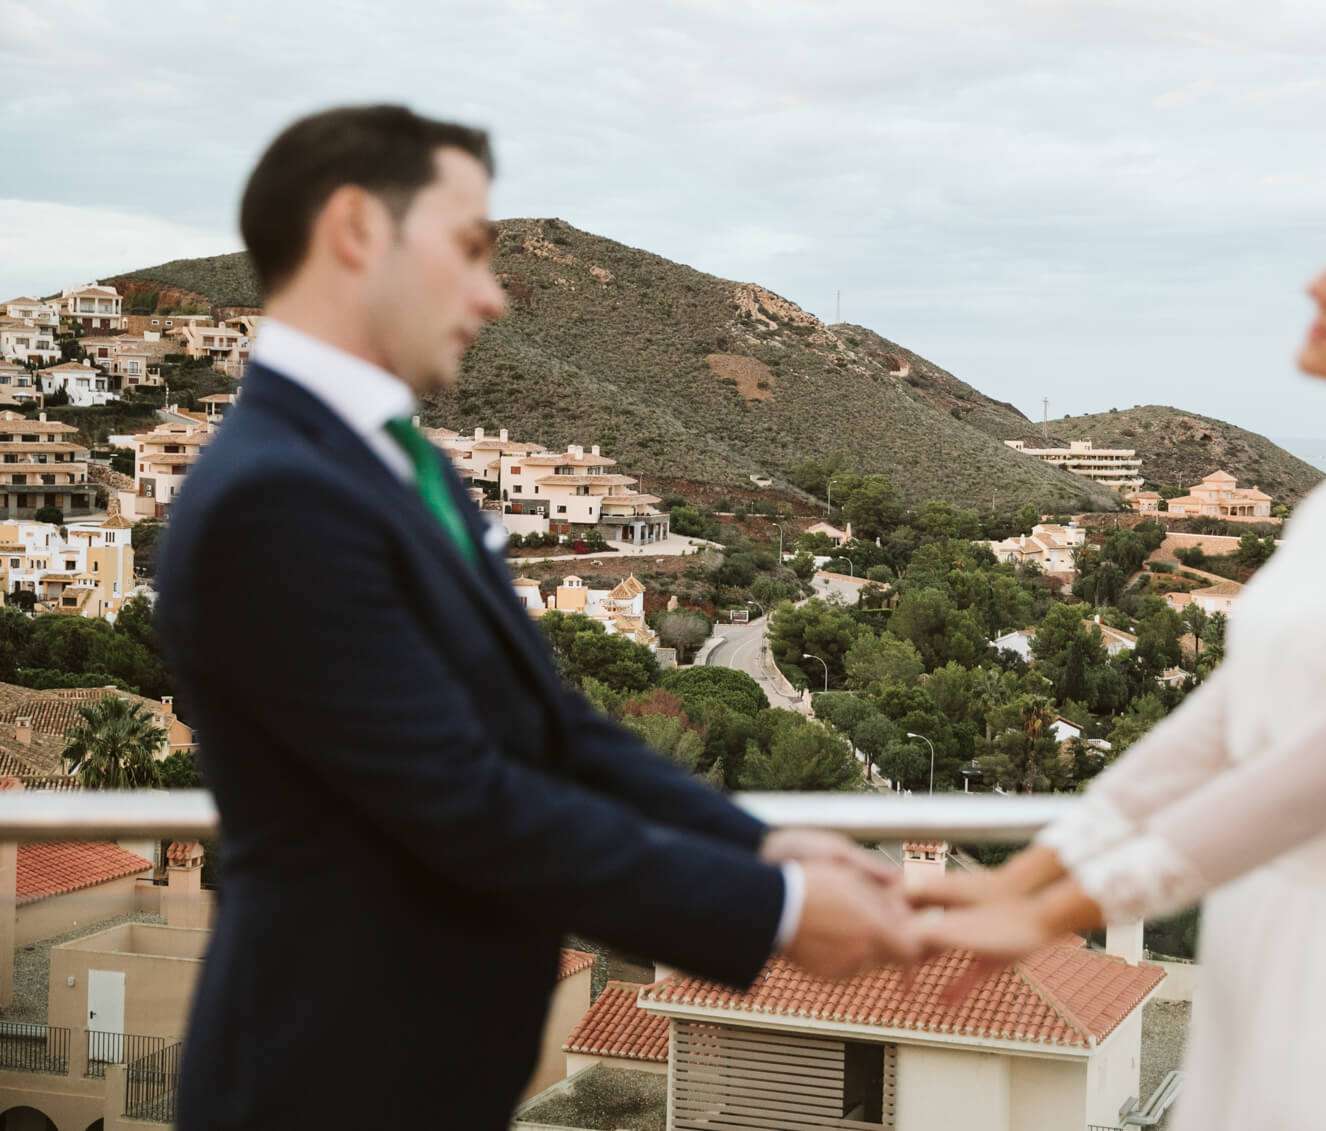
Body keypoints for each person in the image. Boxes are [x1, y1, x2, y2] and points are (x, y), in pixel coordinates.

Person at [155, 104, 918, 1130]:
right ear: (355, 231)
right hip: (329, 1081)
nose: (493, 296)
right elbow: (463, 802)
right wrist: (770, 915)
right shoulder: (273, 499)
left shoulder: (395, 464)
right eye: (470, 249)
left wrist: (759, 848)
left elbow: (549, 730)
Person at [909, 176, 1326, 1130]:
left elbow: (1314, 779)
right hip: (1258, 954)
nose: (1318, 287)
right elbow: (1212, 730)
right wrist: (1019, 878)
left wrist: (1062, 909)